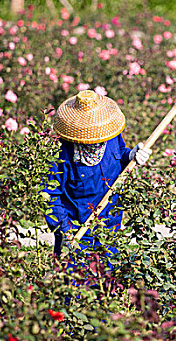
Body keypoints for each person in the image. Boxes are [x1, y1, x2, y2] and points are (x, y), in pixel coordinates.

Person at [43, 89, 151, 266]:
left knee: (108, 284)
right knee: (75, 286)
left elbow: (119, 155)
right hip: (76, 231)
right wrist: (66, 233)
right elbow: (50, 197)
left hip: (110, 225)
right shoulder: (61, 154)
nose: (97, 140)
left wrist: (131, 155)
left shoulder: (109, 135)